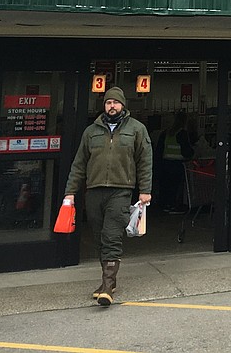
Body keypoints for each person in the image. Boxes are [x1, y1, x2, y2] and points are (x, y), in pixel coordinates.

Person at [63, 86, 153, 306]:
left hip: (121, 191)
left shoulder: (137, 129)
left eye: (115, 102)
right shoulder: (91, 132)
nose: (112, 106)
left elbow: (145, 161)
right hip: (94, 191)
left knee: (112, 236)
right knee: (99, 236)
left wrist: (145, 190)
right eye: (108, 103)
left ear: (123, 105)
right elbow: (79, 164)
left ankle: (108, 286)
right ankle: (107, 281)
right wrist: (70, 193)